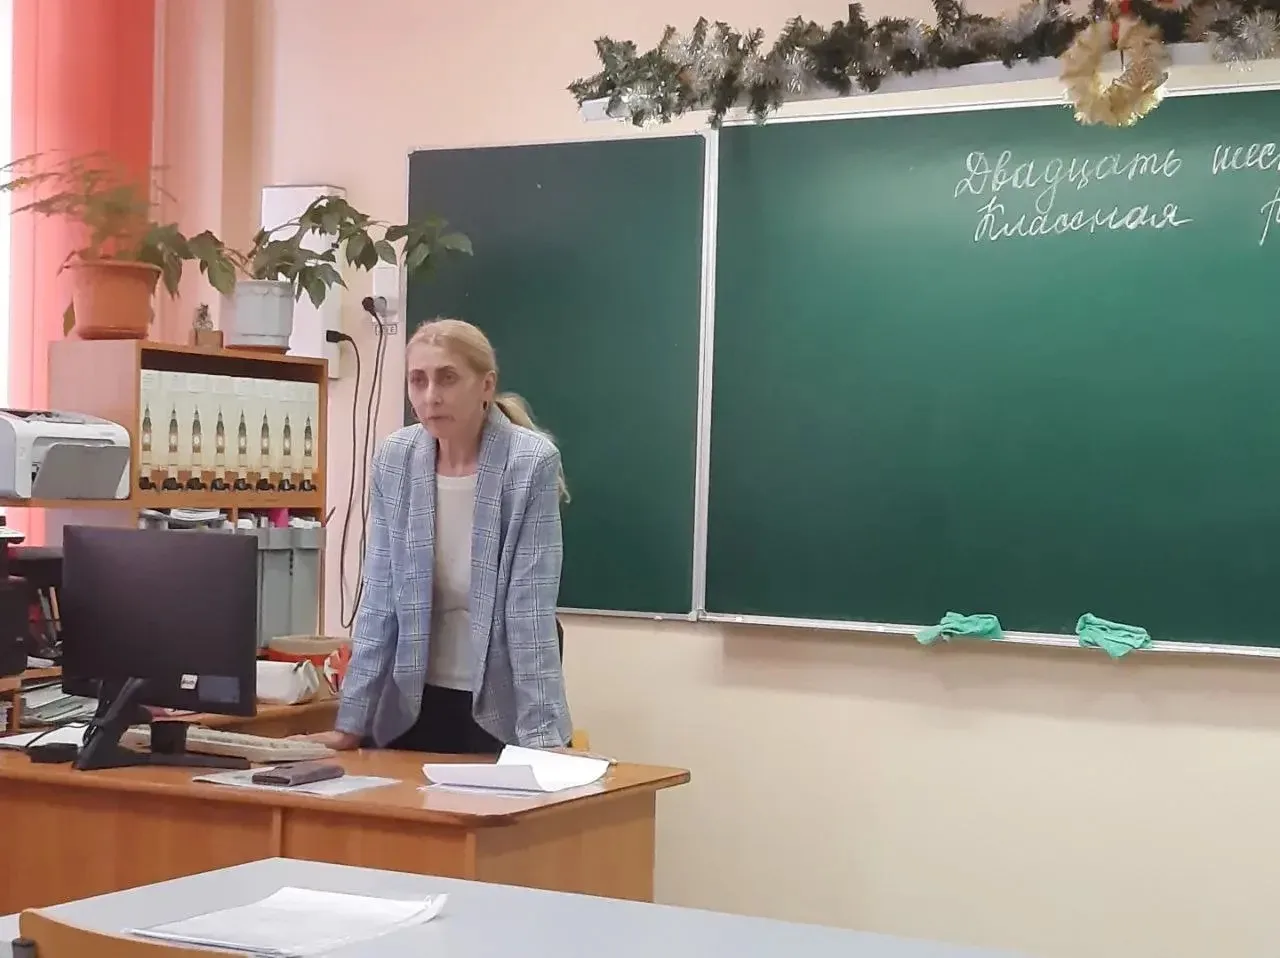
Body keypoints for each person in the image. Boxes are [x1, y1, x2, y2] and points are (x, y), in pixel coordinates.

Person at [310, 318, 573, 753]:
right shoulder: (395, 458)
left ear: (486, 385)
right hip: (410, 705)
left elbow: (528, 612)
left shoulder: (528, 463)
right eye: (418, 380)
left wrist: (544, 740)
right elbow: (380, 601)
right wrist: (350, 723)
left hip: (500, 709)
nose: (431, 396)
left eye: (447, 378)